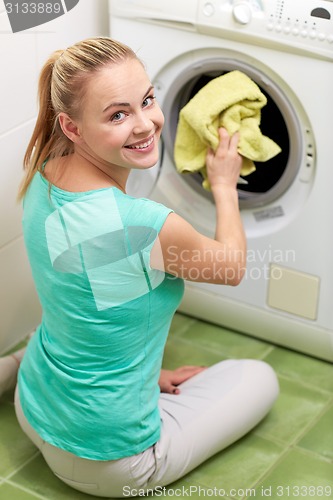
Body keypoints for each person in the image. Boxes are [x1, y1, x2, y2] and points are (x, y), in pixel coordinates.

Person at [8, 37, 278, 497]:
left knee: (74, 313)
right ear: (71, 127)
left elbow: (97, 298)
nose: (146, 124)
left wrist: (148, 375)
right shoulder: (149, 227)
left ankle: (12, 365)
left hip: (33, 407)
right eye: (117, 114)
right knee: (261, 378)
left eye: (147, 100)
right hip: (111, 462)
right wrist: (224, 185)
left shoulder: (43, 174)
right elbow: (231, 266)